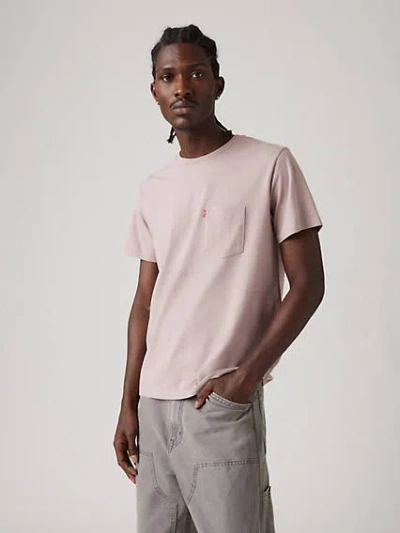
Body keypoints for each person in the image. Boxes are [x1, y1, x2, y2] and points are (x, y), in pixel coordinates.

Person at [113, 24, 325, 533]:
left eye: (195, 74)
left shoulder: (269, 164)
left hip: (220, 407)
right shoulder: (154, 189)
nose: (181, 87)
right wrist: (128, 403)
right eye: (168, 77)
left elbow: (308, 285)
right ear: (154, 91)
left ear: (217, 84)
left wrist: (244, 379)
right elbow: (145, 301)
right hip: (154, 408)